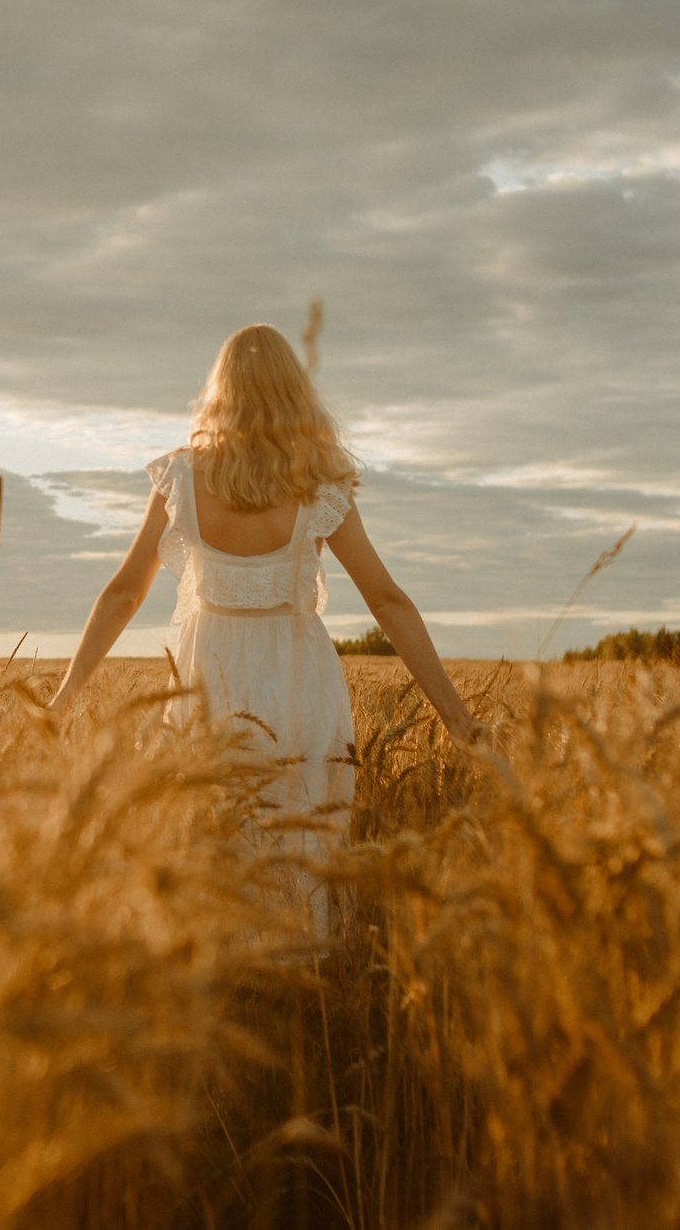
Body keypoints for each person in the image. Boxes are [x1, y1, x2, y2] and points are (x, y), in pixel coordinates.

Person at [45, 325, 482, 908]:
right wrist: (457, 718)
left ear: (219, 392)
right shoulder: (321, 483)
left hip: (208, 678)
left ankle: (224, 974)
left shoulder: (181, 477)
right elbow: (388, 602)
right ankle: (308, 982)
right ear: (295, 393)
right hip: (299, 675)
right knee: (304, 841)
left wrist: (63, 697)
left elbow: (125, 593)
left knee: (214, 838)